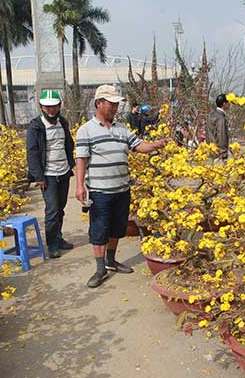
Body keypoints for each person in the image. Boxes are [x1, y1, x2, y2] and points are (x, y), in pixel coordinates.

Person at [75, 84, 168, 288]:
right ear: (99, 103)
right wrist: (79, 186)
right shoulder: (86, 130)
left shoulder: (121, 129)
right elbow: (81, 159)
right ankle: (100, 269)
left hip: (122, 189)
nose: (115, 107)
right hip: (100, 191)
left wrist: (156, 144)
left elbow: (138, 146)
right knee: (99, 230)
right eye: (111, 103)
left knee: (118, 228)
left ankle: (111, 260)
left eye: (117, 104)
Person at [26, 90, 75, 259]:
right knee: (52, 210)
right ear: (41, 107)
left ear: (59, 106)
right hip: (48, 175)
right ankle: (52, 244)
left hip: (63, 171)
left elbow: (68, 143)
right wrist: (38, 177)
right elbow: (32, 152)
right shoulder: (36, 126)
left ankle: (59, 237)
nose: (51, 110)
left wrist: (70, 164)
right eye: (47, 107)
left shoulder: (63, 122)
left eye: (54, 107)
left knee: (60, 208)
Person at [207, 94, 230, 159]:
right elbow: (221, 134)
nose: (229, 104)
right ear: (224, 104)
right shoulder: (221, 117)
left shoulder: (210, 115)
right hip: (219, 153)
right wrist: (223, 152)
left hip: (211, 150)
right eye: (228, 102)